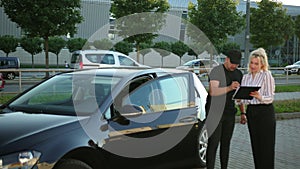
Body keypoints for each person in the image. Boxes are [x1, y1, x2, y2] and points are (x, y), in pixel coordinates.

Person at [205, 49, 244, 169]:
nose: (234, 66)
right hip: (214, 112)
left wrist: (243, 112)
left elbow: (239, 96)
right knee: (213, 143)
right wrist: (229, 87)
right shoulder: (217, 71)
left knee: (226, 144)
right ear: (226, 59)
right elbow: (213, 91)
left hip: (229, 112)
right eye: (232, 63)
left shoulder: (238, 74)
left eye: (237, 64)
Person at [238, 48, 276, 169]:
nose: (253, 66)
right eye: (251, 63)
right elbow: (244, 99)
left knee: (266, 146)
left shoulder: (266, 75)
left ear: (262, 64)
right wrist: (238, 96)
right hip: (252, 112)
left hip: (265, 111)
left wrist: (260, 97)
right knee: (256, 145)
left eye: (256, 63)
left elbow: (270, 97)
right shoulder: (246, 77)